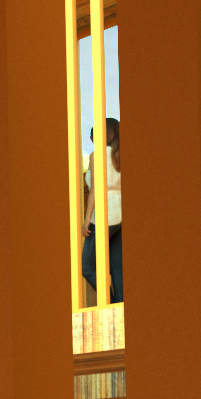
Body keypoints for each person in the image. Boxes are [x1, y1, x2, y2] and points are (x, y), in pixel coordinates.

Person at [82, 118, 124, 305]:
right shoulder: (119, 155)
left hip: (103, 215)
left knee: (87, 267)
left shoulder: (97, 155)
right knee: (117, 269)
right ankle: (121, 307)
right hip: (120, 215)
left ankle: (112, 303)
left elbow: (95, 190)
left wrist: (87, 220)